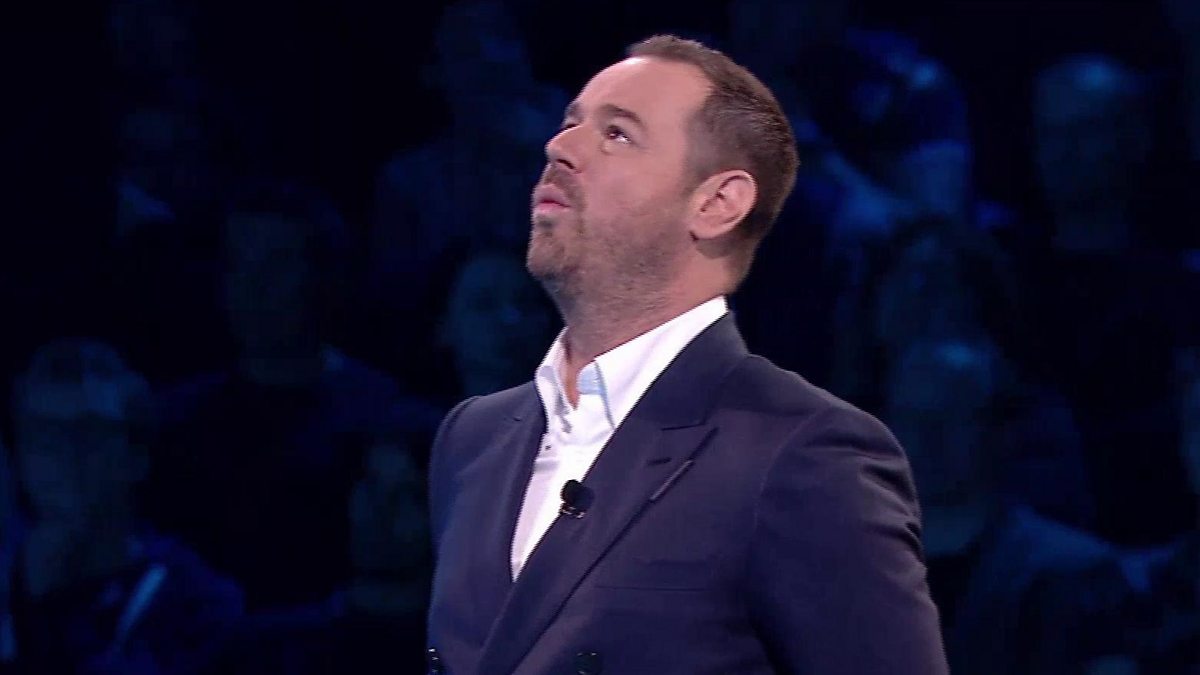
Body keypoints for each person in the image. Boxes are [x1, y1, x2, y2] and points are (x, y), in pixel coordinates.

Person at [426, 35, 947, 674]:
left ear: (716, 204)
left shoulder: (803, 451)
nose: (559, 148)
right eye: (570, 123)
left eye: (617, 135)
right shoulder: (473, 438)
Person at [1, 338, 242, 674]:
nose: (66, 455)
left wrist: (51, 609)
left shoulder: (195, 602)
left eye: (87, 432)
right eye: (44, 435)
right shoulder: (8, 581)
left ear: (136, 457)